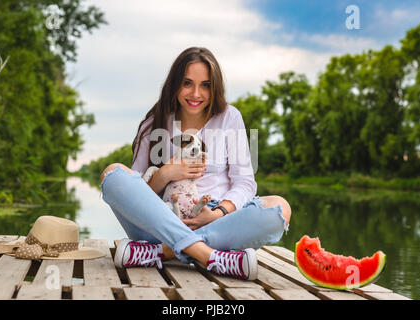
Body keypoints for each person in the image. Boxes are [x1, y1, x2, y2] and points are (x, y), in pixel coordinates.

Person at [99, 47, 291, 280]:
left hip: (217, 220)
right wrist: (165, 174)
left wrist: (219, 213)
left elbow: (245, 183)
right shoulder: (154, 123)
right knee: (113, 174)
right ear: (175, 83)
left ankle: (163, 252)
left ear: (215, 87)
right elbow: (135, 194)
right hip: (161, 221)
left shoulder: (230, 118)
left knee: (279, 209)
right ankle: (209, 256)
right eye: (187, 83)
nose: (196, 93)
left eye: (206, 85)